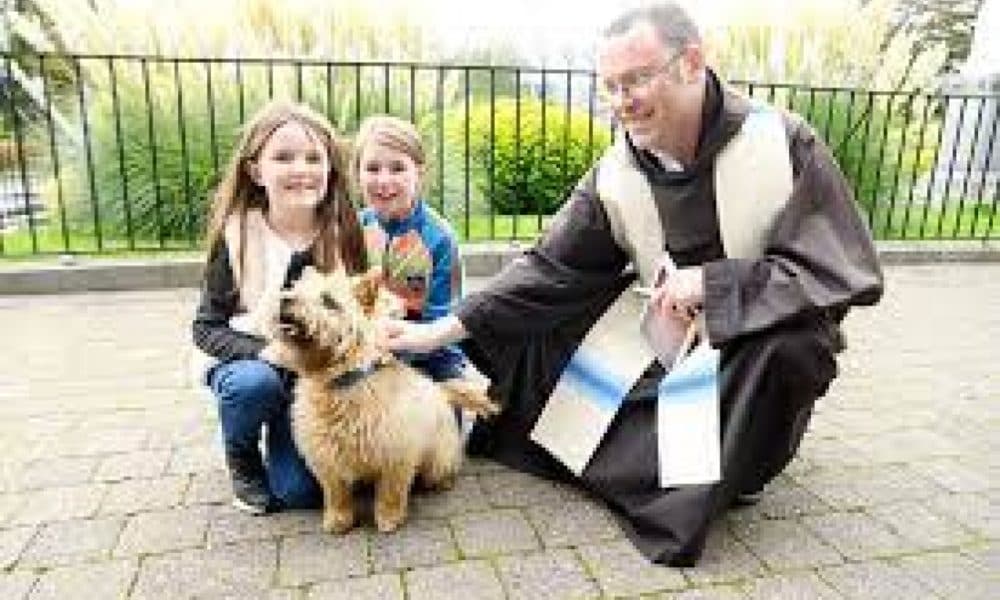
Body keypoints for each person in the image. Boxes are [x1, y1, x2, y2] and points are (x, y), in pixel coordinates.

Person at [381, 2, 884, 566]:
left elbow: (836, 270)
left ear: (692, 62)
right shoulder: (617, 171)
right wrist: (435, 335)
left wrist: (715, 286)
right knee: (541, 329)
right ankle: (656, 468)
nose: (623, 103)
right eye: (611, 87)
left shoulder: (783, 143)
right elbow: (548, 268)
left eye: (637, 80)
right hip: (662, 335)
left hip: (750, 341)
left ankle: (736, 466)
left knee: (796, 349)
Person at [192, 100, 367, 514]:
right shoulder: (237, 235)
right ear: (256, 170)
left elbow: (360, 314)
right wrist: (265, 352)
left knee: (300, 494)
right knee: (254, 386)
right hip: (253, 362)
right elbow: (205, 328)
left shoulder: (344, 232)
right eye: (283, 158)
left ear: (330, 169)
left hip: (313, 374)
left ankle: (285, 432)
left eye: (313, 158)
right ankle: (244, 459)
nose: (301, 169)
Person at [354, 115, 466, 383]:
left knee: (448, 405)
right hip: (365, 350)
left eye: (397, 168)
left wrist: (395, 355)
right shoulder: (355, 229)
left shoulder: (439, 238)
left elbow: (441, 318)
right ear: (357, 173)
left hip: (430, 355)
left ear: (419, 172)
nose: (384, 180)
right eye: (372, 168)